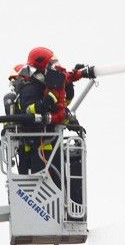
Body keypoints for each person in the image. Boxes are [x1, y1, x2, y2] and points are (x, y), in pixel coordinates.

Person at [11, 47, 94, 177]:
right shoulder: (31, 88)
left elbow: (62, 105)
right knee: (42, 190)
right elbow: (28, 112)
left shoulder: (46, 87)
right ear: (42, 66)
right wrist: (44, 105)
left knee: (60, 184)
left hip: (52, 147)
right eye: (51, 65)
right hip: (38, 151)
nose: (54, 68)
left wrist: (68, 85)